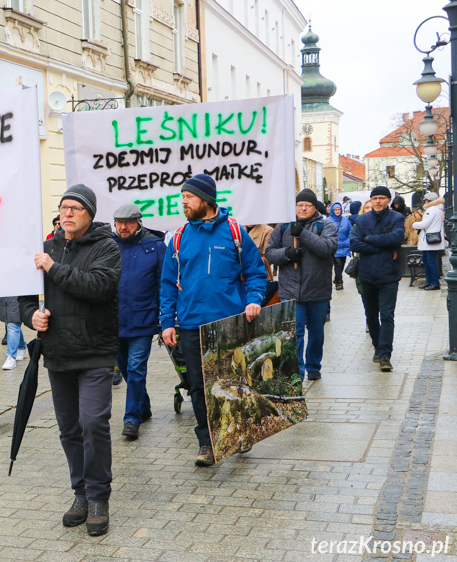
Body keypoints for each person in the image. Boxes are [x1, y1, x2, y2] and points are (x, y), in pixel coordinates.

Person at [19, 184, 121, 537]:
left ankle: (98, 498)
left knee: (93, 423)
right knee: (69, 430)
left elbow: (97, 287)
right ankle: (80, 493)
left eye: (75, 208)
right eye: (64, 208)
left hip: (95, 352)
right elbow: (23, 297)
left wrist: (53, 267)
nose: (67, 213)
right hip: (58, 355)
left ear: (90, 214)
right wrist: (31, 315)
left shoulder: (106, 247)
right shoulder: (46, 248)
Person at [159, 174, 267, 467]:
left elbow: (256, 272)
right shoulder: (179, 237)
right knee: (198, 387)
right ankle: (207, 442)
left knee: (233, 383)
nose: (183, 202)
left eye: (188, 197)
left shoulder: (234, 232)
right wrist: (167, 321)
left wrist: (254, 299)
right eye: (183, 197)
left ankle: (239, 431)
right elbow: (168, 283)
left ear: (205, 200)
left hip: (229, 323)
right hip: (192, 325)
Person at [265, 189, 338, 381]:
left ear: (315, 208)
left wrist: (303, 234)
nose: (303, 208)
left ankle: (314, 365)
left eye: (308, 205)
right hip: (290, 291)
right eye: (300, 205)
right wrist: (287, 254)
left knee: (316, 333)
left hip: (317, 291)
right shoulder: (282, 227)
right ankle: (296, 370)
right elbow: (270, 253)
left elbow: (327, 248)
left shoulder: (326, 226)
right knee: (294, 334)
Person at [111, 204, 164, 440]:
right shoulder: (109, 246)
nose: (123, 227)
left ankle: (131, 418)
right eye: (119, 223)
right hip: (115, 322)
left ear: (138, 222)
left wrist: (165, 316)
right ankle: (143, 406)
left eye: (128, 223)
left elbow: (165, 284)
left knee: (135, 368)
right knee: (124, 368)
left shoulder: (154, 246)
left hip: (143, 319)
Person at [350, 186, 406, 372]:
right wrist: (380, 245)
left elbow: (396, 238)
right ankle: (377, 346)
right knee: (371, 316)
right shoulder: (362, 219)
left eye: (382, 198)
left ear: (389, 200)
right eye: (375, 198)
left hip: (389, 275)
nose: (378, 201)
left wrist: (370, 239)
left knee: (387, 316)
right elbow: (354, 242)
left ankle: (385, 355)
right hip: (367, 275)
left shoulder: (396, 218)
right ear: (371, 200)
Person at [413, 192, 446, 290]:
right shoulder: (439, 209)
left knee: (430, 261)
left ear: (428, 201)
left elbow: (425, 224)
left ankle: (433, 283)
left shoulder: (431, 209)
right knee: (429, 261)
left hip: (429, 240)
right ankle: (430, 282)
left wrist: (414, 224)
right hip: (433, 239)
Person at [0, 297, 28, 370]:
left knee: (12, 325)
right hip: (4, 300)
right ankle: (22, 347)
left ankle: (11, 356)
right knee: (13, 325)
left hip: (17, 299)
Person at [326, 202, 352, 290]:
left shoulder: (346, 220)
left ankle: (337, 279)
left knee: (342, 264)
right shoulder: (328, 220)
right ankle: (339, 283)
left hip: (344, 247)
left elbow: (350, 232)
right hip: (334, 248)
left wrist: (348, 241)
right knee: (338, 264)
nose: (337, 211)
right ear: (332, 211)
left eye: (339, 209)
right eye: (335, 210)